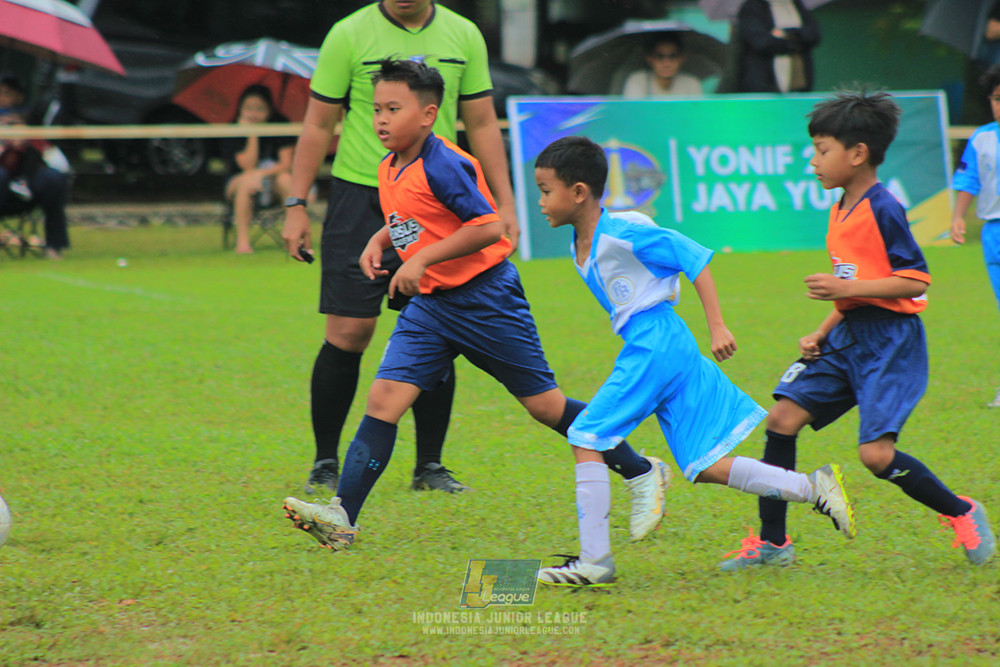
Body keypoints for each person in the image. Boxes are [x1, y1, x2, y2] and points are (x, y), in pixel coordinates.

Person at [281, 59, 670, 551]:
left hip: (486, 299)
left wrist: (419, 261)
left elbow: (487, 226)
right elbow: (416, 217)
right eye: (375, 109)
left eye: (393, 109)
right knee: (383, 401)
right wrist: (380, 239)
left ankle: (641, 472)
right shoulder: (388, 165)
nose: (380, 119)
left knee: (546, 407)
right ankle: (341, 517)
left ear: (427, 115)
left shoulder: (446, 162)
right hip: (431, 307)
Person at [530, 136, 853, 586]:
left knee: (586, 434)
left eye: (546, 191)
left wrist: (717, 326)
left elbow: (693, 258)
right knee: (705, 466)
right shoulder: (577, 245)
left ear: (579, 192)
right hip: (665, 346)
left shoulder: (622, 232)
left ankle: (594, 562)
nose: (540, 201)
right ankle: (814, 488)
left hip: (656, 343)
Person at [720, 89, 996, 570]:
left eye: (821, 151)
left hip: (890, 342)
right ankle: (773, 543)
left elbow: (914, 279)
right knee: (781, 421)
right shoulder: (840, 207)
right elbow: (853, 288)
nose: (813, 162)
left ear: (858, 153)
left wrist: (844, 291)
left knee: (875, 456)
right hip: (847, 335)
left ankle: (962, 511)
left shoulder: (883, 207)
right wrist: (822, 329)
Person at [281, 0, 521, 495]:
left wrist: (505, 202)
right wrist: (295, 202)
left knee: (438, 325)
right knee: (349, 331)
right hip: (360, 195)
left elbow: (480, 124)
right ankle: (326, 461)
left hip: (434, 198)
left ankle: (429, 467)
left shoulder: (464, 35)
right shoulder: (348, 34)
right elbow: (317, 124)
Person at [950, 64, 1000, 407]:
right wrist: (957, 216)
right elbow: (969, 181)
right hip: (993, 232)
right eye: (997, 98)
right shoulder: (981, 138)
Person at [222, 85, 295, 254]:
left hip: (272, 179)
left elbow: (286, 164)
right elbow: (246, 166)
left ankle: (293, 237)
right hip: (239, 181)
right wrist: (252, 133)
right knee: (247, 182)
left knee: (285, 179)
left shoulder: (281, 125)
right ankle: (242, 243)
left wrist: (261, 174)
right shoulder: (233, 128)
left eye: (259, 109)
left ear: (269, 110)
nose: (253, 113)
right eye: (248, 108)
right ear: (240, 109)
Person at [0, 111, 70, 260]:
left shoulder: (36, 142)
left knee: (53, 179)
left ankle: (54, 246)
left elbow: (63, 167)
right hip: (3, 195)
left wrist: (36, 148)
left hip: (29, 196)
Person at [735, 0, 820, 93]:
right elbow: (760, 41)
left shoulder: (796, 4)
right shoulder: (753, 7)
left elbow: (813, 34)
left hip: (798, 81)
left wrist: (787, 34)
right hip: (763, 84)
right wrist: (794, 42)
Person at [622, 32, 703, 99]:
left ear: (681, 58)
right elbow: (634, 113)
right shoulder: (638, 81)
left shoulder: (691, 83)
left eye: (672, 56)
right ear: (650, 58)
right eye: (660, 56)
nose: (666, 63)